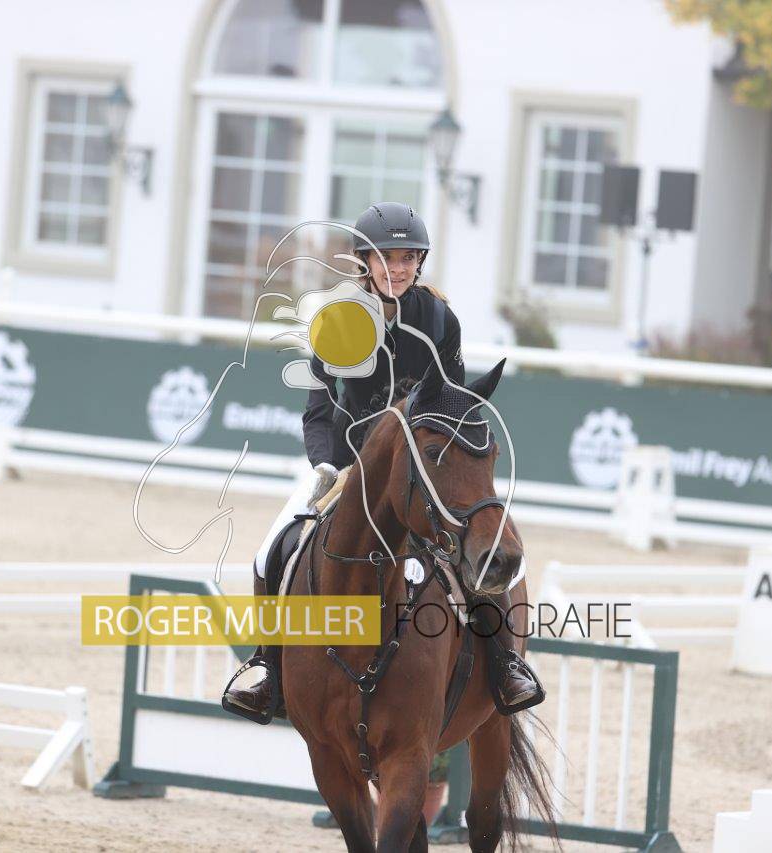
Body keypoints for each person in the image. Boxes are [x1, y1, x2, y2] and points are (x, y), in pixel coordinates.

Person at [224, 202, 542, 718]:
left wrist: (444, 469)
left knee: (483, 547)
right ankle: (267, 668)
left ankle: (506, 664)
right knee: (270, 550)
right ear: (364, 261)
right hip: (348, 465)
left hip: (422, 469)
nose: (398, 268)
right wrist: (326, 467)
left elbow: (451, 403)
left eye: (408, 258)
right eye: (387, 258)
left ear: (419, 263)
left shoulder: (438, 318)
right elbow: (319, 408)